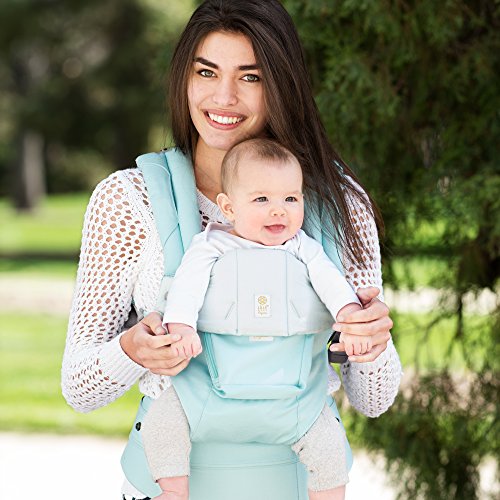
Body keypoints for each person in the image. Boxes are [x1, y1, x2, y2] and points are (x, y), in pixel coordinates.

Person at [61, 1, 402, 499]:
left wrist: (371, 343)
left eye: (251, 77)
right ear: (184, 78)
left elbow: (374, 399)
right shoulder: (129, 200)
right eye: (206, 72)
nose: (223, 97)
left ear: (282, 85)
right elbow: (80, 388)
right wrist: (132, 350)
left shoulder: (339, 204)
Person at [143, 138, 372, 500]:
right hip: (206, 389)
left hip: (294, 395)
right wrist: (182, 326)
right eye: (262, 199)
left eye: (291, 199)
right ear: (228, 207)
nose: (279, 211)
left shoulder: (303, 247)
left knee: (329, 444)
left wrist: (350, 316)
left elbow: (332, 283)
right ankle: (173, 491)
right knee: (162, 421)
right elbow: (186, 286)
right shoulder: (211, 245)